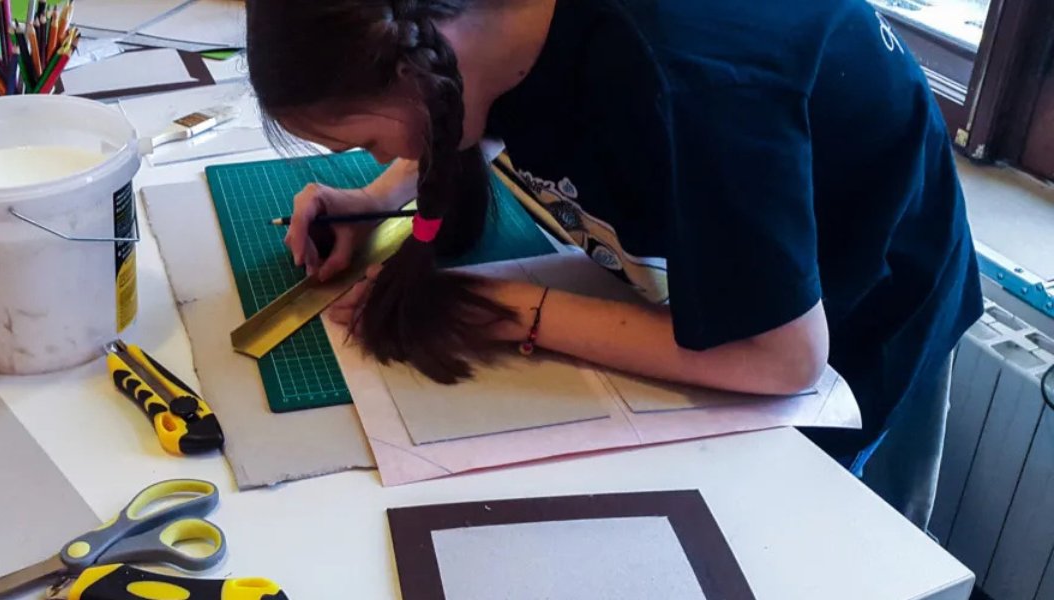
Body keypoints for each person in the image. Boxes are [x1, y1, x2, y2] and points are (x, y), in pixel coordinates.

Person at [244, 0, 983, 529]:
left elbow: (783, 360)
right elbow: (479, 102)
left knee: (823, 537)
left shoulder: (692, 80)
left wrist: (511, 310)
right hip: (743, 219)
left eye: (366, 141)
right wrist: (379, 196)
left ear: (417, 55)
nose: (381, 155)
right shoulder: (499, 30)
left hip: (866, 292)